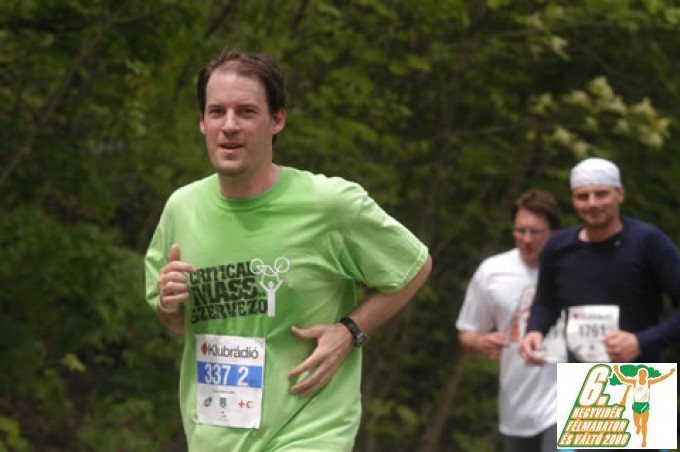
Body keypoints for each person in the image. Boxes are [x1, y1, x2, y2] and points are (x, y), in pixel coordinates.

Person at [144, 49, 432, 451]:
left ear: (277, 119)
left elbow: (413, 265)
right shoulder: (182, 209)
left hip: (309, 431)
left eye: (246, 112)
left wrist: (349, 331)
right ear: (202, 121)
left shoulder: (329, 205)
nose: (229, 126)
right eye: (217, 112)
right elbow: (180, 324)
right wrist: (169, 304)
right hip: (216, 434)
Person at [520, 157, 680, 452]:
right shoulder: (558, 248)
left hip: (640, 381)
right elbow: (547, 300)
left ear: (619, 194)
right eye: (583, 196)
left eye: (601, 194)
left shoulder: (648, 242)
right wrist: (535, 330)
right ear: (573, 199)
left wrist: (640, 342)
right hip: (585, 384)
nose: (592, 203)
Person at [456, 189, 564, 452]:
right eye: (520, 231)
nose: (526, 239)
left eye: (535, 232)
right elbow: (467, 332)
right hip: (517, 405)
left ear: (554, 232)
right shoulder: (493, 271)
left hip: (569, 399)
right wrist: (481, 342)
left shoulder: (575, 269)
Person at [612, 365, 676, 448]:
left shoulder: (648, 382)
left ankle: (644, 440)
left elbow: (660, 379)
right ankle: (638, 427)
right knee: (636, 423)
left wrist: (670, 373)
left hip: (645, 405)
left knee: (644, 424)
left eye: (644, 374)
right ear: (639, 375)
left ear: (646, 375)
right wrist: (617, 371)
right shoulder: (635, 382)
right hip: (636, 405)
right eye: (641, 374)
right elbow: (623, 379)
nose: (642, 375)